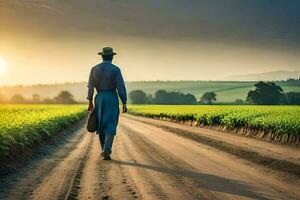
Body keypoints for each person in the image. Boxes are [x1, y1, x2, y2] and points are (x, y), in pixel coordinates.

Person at [87, 47, 127, 160]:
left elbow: (90, 86)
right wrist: (124, 102)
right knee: (111, 123)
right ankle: (106, 149)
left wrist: (90, 101)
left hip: (99, 98)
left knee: (101, 124)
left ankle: (104, 149)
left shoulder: (94, 69)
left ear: (102, 56)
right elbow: (121, 87)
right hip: (111, 97)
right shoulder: (115, 69)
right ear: (112, 57)